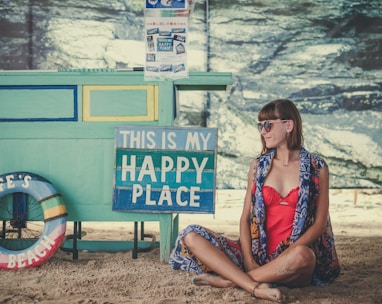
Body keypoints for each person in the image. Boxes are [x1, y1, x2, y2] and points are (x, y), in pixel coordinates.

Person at [169, 99, 341, 302]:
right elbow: (244, 219)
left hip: (293, 258)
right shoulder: (258, 166)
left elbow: (319, 225)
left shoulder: (317, 167)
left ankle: (230, 281)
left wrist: (285, 257)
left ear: (289, 125)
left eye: (268, 125)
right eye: (260, 125)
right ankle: (256, 285)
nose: (263, 131)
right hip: (257, 253)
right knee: (191, 235)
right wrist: (249, 260)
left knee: (305, 256)